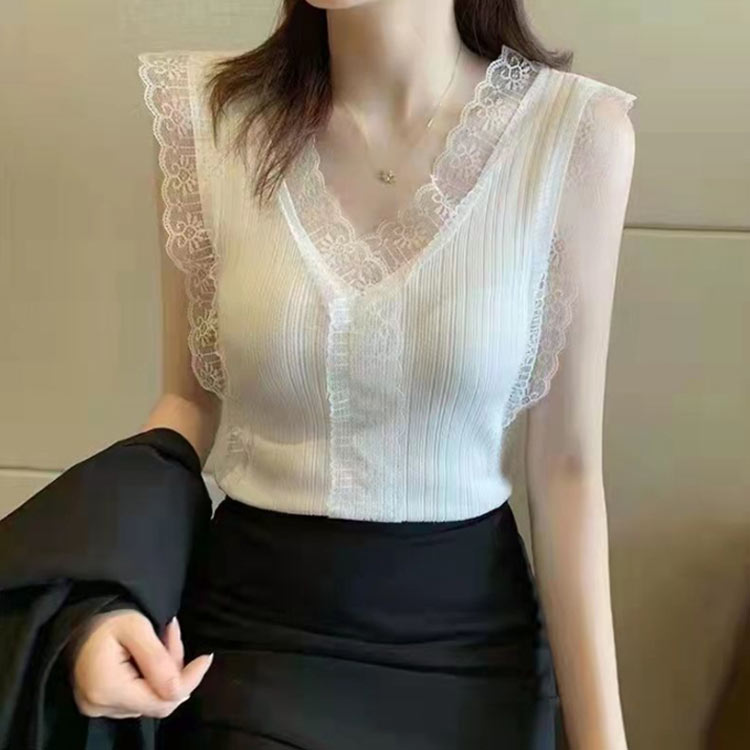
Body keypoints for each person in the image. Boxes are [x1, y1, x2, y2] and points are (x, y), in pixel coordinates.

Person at [8, 0, 637, 748]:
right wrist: (112, 601)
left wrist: (603, 741)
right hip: (252, 646)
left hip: (472, 660)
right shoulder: (212, 120)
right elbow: (186, 406)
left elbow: (566, 470)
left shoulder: (573, 135)